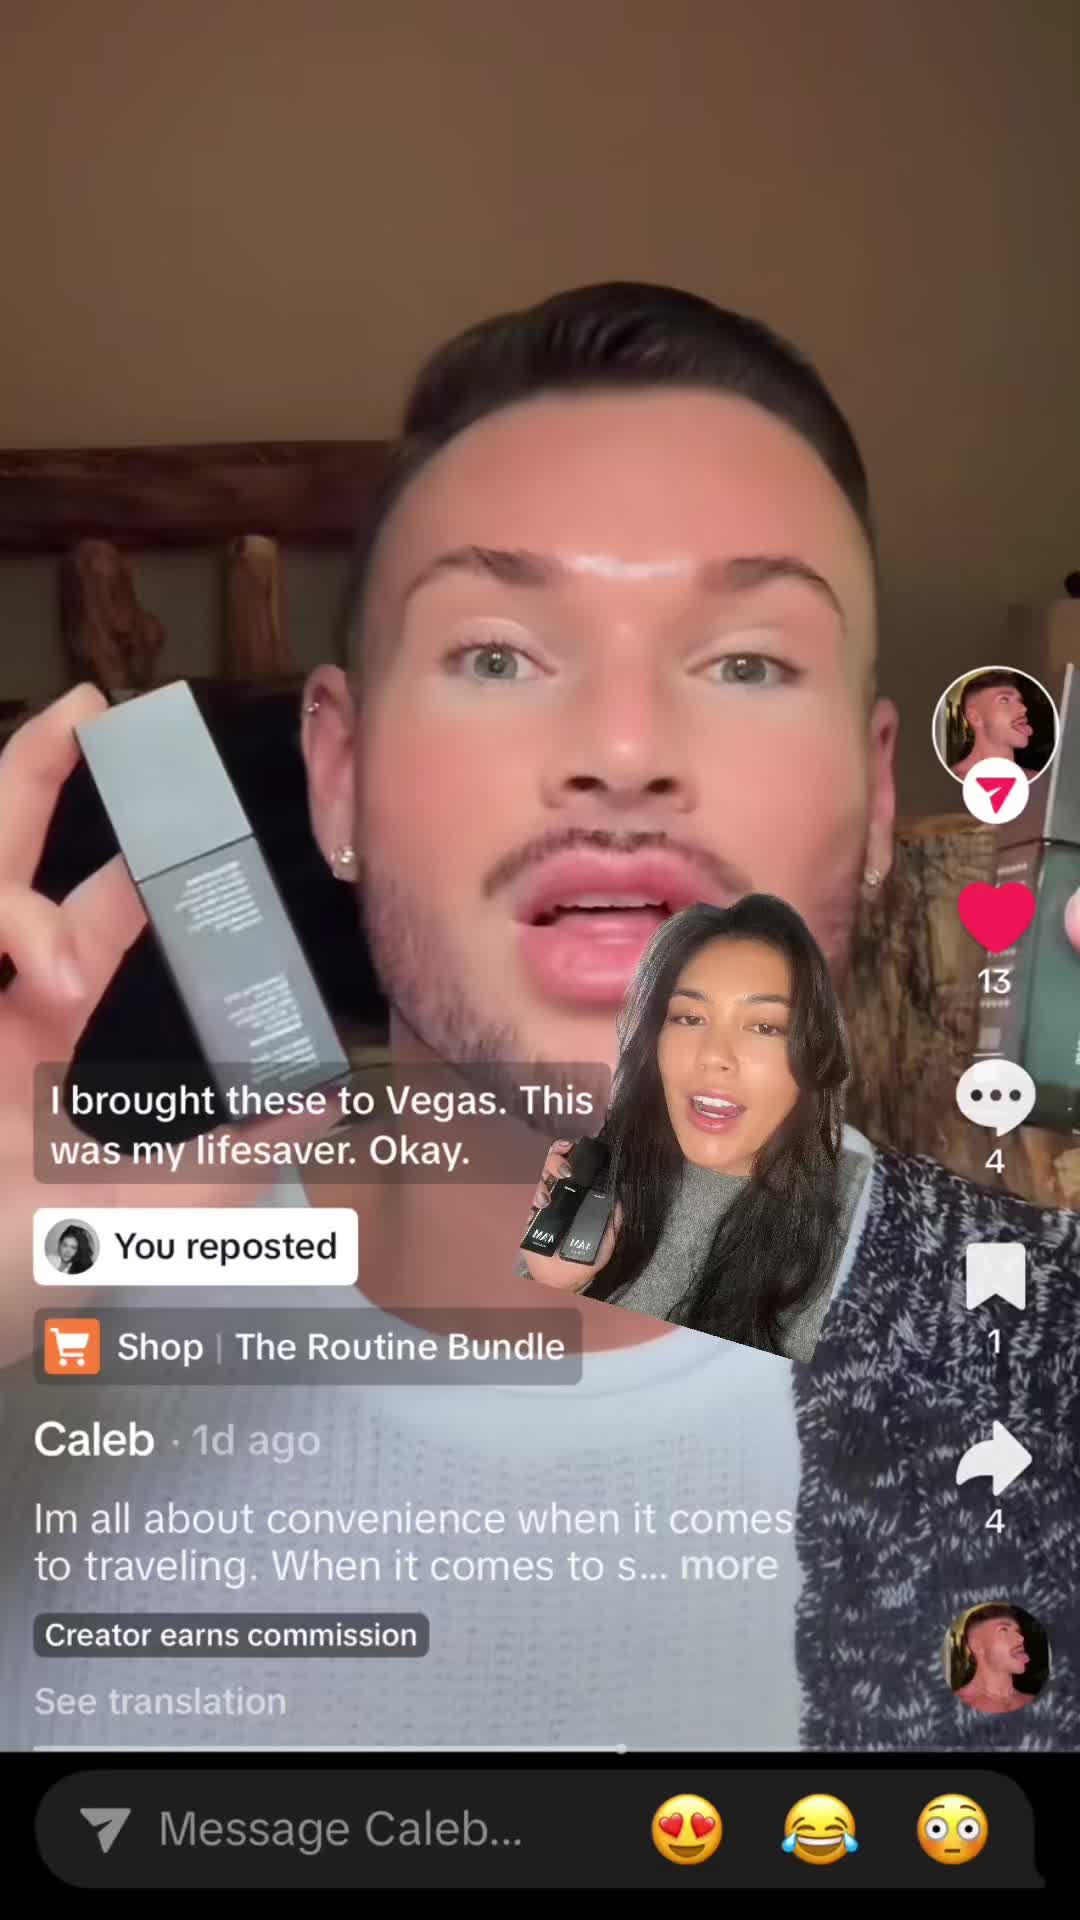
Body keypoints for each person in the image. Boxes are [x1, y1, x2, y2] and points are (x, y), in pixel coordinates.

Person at [0, 282, 1078, 1756]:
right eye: (498, 654)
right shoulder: (46, 1332)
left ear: (878, 797)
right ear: (340, 779)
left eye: (747, 662)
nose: (622, 752)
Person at [522, 896, 868, 1361]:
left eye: (764, 1027)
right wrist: (558, 1287)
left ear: (813, 1053)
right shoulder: (580, 1167)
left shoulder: (867, 1218)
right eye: (689, 1018)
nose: (713, 1056)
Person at [950, 1604, 1036, 1715]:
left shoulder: (1034, 1701)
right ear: (977, 1646)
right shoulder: (951, 1709)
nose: (1021, 1638)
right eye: (1004, 1630)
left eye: (1018, 1631)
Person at [948, 670, 1033, 778]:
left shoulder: (1041, 780)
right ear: (975, 717)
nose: (1023, 708)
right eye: (1004, 700)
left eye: (1020, 700)